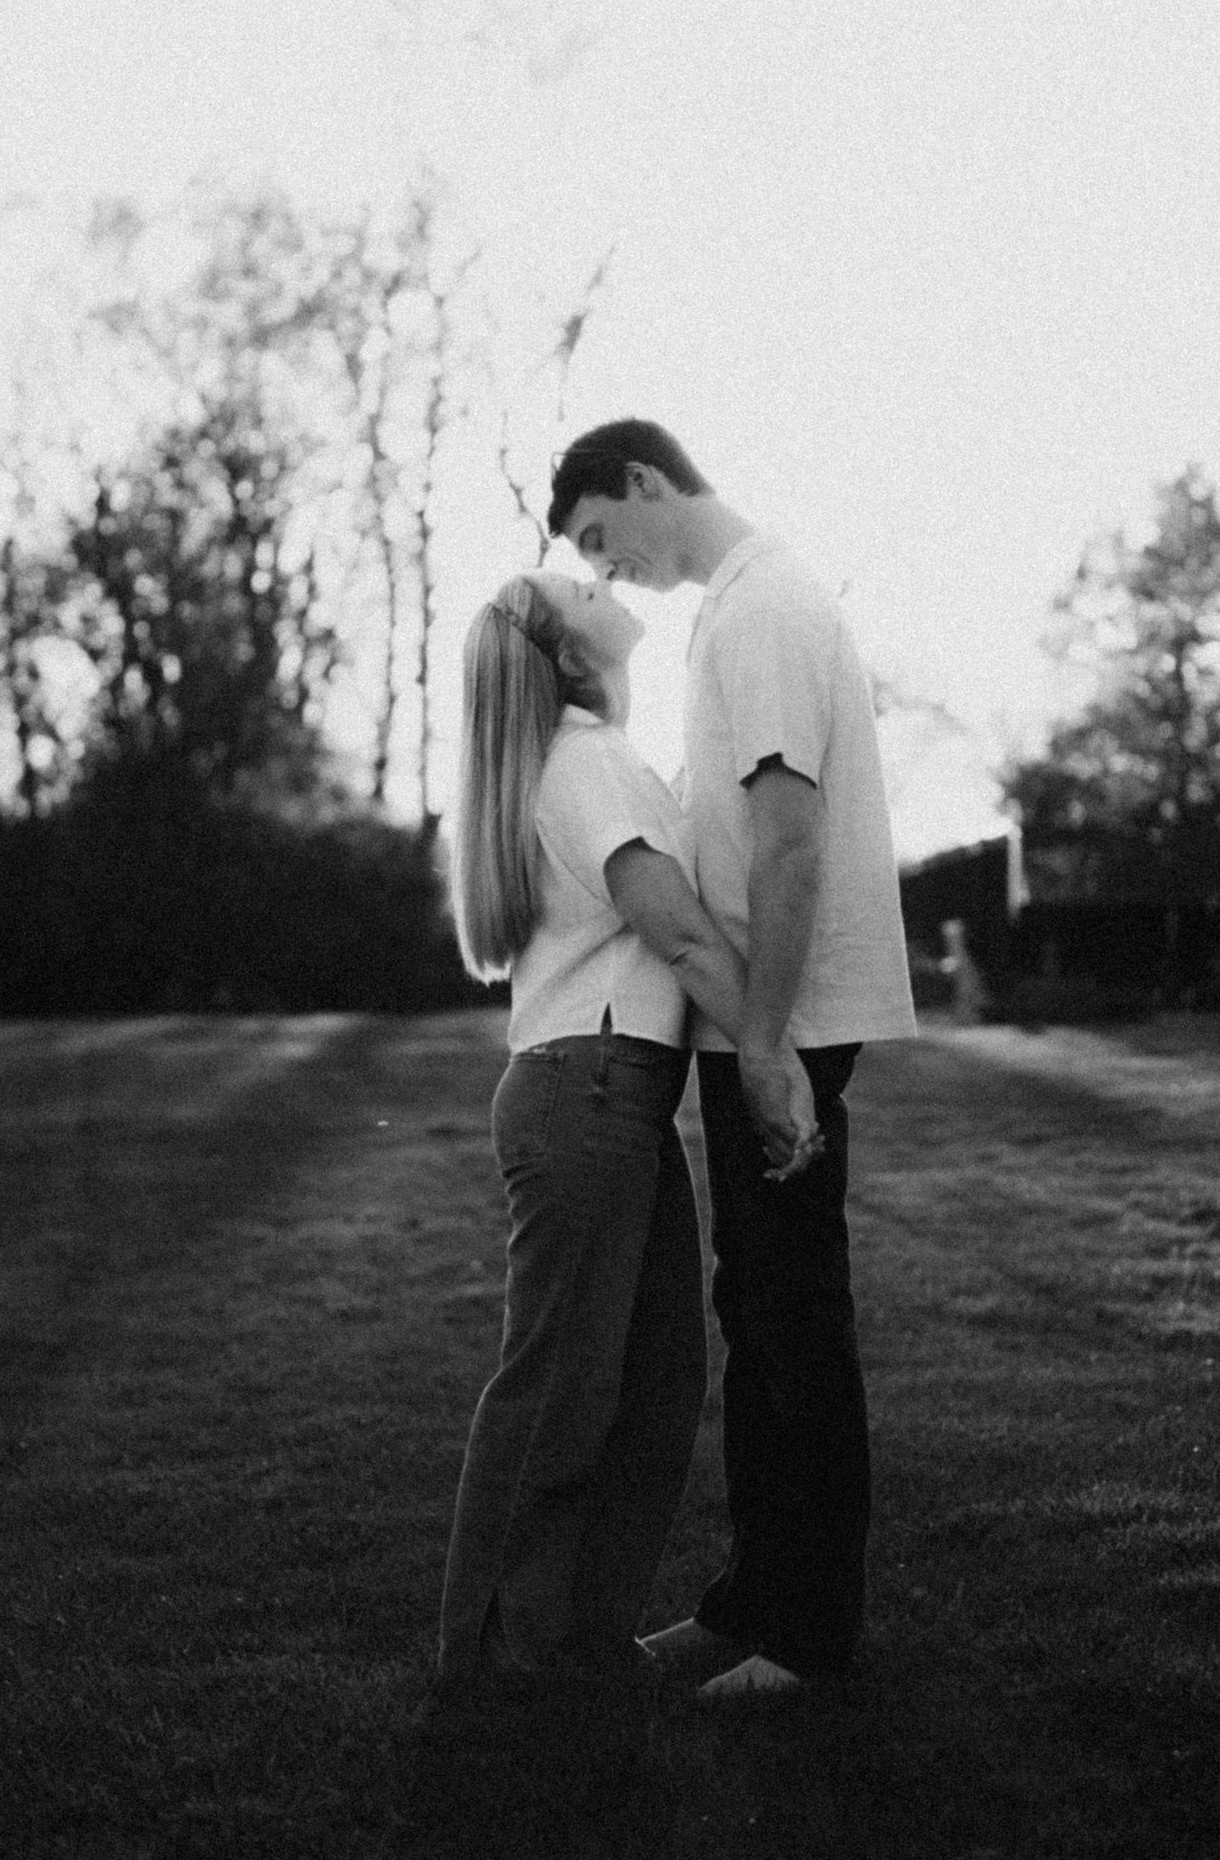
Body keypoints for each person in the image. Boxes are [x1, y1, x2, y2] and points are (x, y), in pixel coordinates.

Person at [548, 419, 917, 1699]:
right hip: (766, 1016)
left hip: (786, 1019)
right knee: (760, 1309)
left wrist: (763, 1046)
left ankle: (802, 1637)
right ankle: (753, 1609)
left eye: (602, 534)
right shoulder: (739, 604)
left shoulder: (760, 604)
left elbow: (792, 844)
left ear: (644, 481)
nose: (610, 569)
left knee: (790, 1321)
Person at [436, 567, 818, 1710]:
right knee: (558, 1386)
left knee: (652, 1382)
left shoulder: (587, 759)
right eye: (577, 584)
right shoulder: (586, 758)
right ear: (563, 654)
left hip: (611, 1093)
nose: (598, 579)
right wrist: (768, 1051)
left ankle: (580, 1642)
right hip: (588, 1088)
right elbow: (680, 932)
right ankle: (489, 1664)